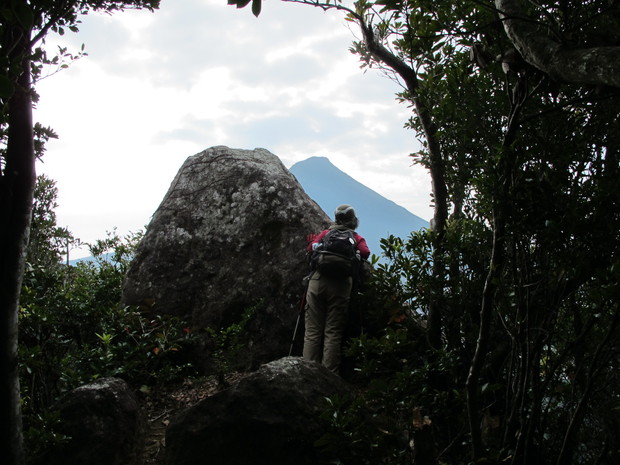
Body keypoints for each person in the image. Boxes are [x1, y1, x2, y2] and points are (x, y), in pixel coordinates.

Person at [303, 204, 370, 374]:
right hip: (340, 286)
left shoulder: (326, 234)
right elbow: (365, 252)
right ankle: (329, 377)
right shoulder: (356, 237)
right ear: (354, 221)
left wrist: (313, 242)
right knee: (332, 332)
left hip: (318, 282)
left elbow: (311, 248)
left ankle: (308, 374)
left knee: (312, 331)